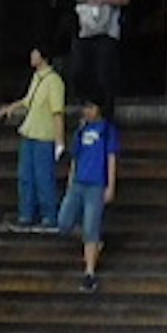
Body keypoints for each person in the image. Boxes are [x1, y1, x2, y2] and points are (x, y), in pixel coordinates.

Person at [4, 45, 69, 231]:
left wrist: (59, 140)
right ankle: (26, 214)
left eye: (35, 53)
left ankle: (49, 216)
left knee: (43, 177)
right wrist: (11, 108)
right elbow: (28, 100)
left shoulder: (54, 81)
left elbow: (57, 112)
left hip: (44, 136)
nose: (32, 56)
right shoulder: (36, 78)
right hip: (30, 133)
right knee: (26, 176)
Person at [69, 0, 132, 114]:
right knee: (79, 69)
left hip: (108, 31)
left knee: (104, 73)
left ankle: (105, 112)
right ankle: (87, 105)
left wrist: (103, 1)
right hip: (88, 30)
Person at [64, 96, 119, 291]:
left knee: (91, 228)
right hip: (79, 183)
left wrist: (110, 185)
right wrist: (70, 180)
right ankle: (93, 242)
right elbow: (75, 156)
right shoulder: (81, 130)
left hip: (96, 184)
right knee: (64, 221)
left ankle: (89, 272)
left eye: (90, 107)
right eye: (84, 107)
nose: (86, 111)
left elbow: (111, 158)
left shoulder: (107, 130)